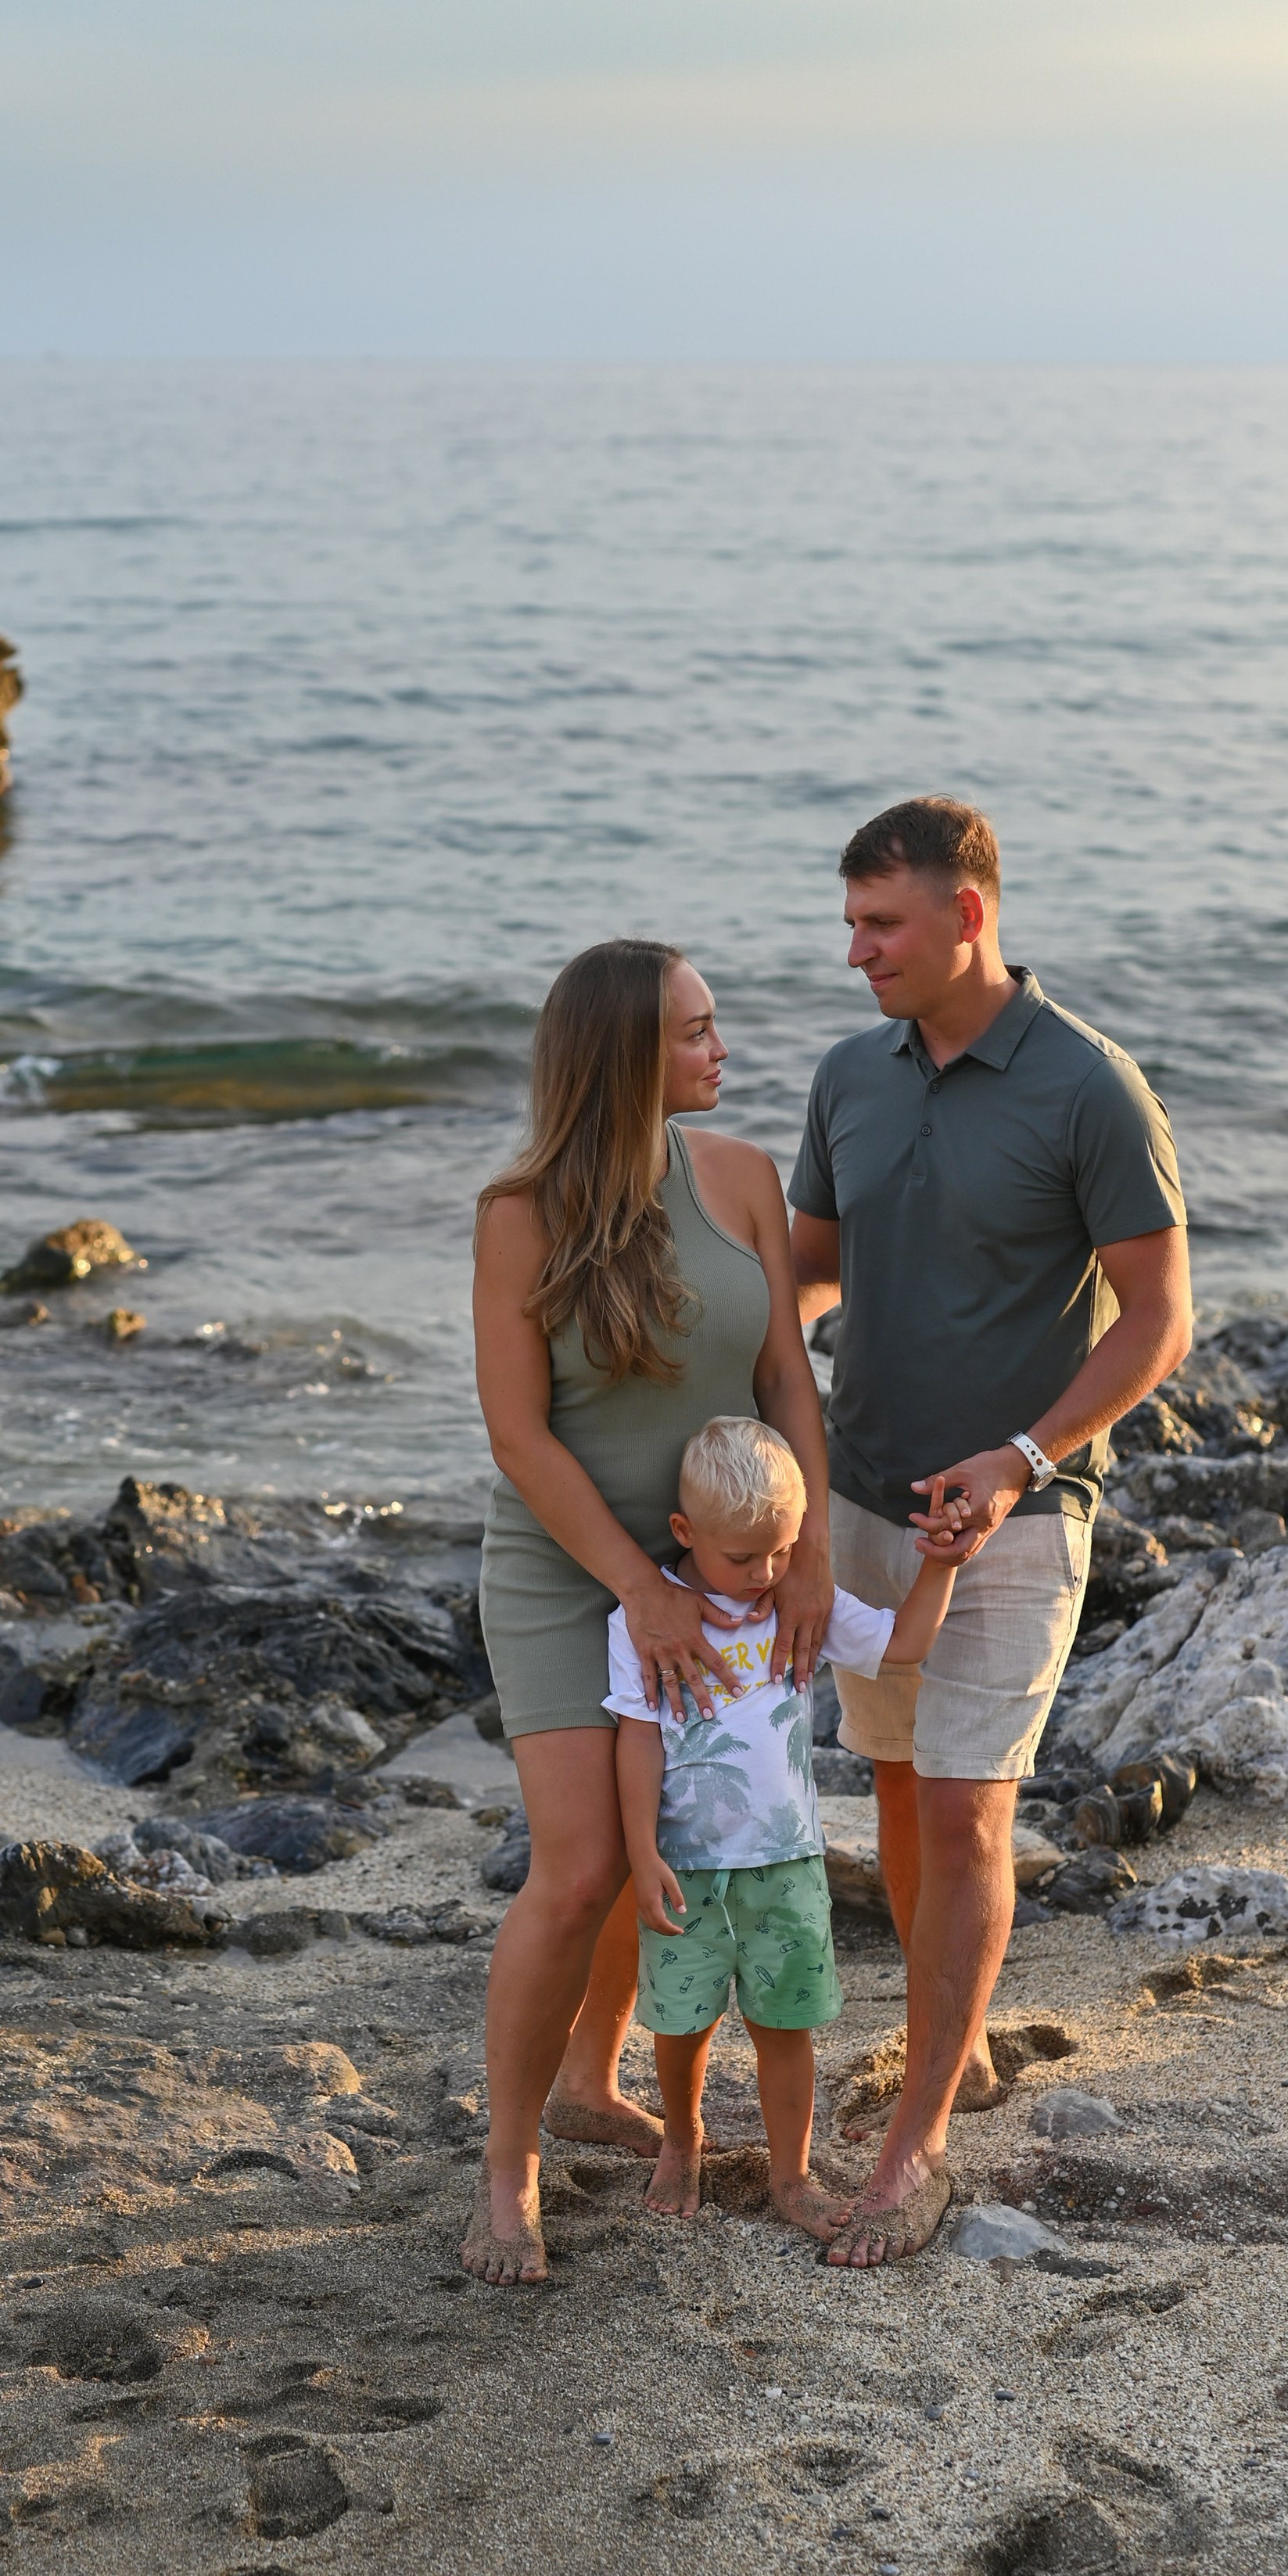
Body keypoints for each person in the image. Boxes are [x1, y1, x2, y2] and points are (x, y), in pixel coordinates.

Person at [788, 796, 1192, 2267]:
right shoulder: (851, 1075)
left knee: (968, 1808)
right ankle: (946, 2048)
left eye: (880, 924)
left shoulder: (1091, 1086)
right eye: (850, 923)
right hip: (861, 1495)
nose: (856, 952)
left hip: (1017, 1512)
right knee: (898, 1785)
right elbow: (806, 1278)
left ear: (967, 915)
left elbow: (1157, 1319)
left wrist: (1023, 1459)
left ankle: (919, 2147)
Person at [465, 940, 836, 2287]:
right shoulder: (521, 1214)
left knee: (663, 1843)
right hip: (572, 1576)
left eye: (714, 1025)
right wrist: (640, 1587)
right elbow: (520, 1435)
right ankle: (508, 2168)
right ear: (623, 1060)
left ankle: (590, 2078)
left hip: (722, 1571)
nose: (719, 1050)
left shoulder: (740, 1178)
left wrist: (808, 1553)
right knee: (578, 1871)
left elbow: (786, 1381)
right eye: (693, 1032)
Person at [608, 1417, 960, 2234]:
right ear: (684, 1531)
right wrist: (640, 1851)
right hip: (685, 1866)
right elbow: (636, 1738)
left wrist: (940, 1564)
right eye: (742, 1558)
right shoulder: (644, 1619)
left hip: (788, 1865)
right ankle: (683, 2139)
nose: (765, 1573)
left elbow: (907, 1644)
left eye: (782, 1551)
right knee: (681, 2023)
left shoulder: (801, 1604)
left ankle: (791, 2175)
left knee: (785, 2026)